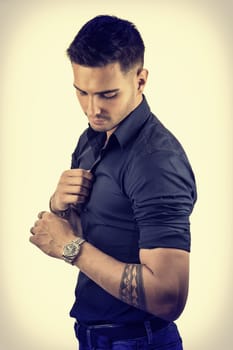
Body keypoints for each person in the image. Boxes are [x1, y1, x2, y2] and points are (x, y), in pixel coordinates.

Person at [30, 15, 197, 350]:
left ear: (140, 80)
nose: (93, 109)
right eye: (82, 92)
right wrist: (59, 206)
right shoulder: (93, 137)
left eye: (107, 94)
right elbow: (89, 231)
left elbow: (169, 297)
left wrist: (69, 249)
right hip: (92, 335)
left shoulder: (157, 162)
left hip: (139, 341)